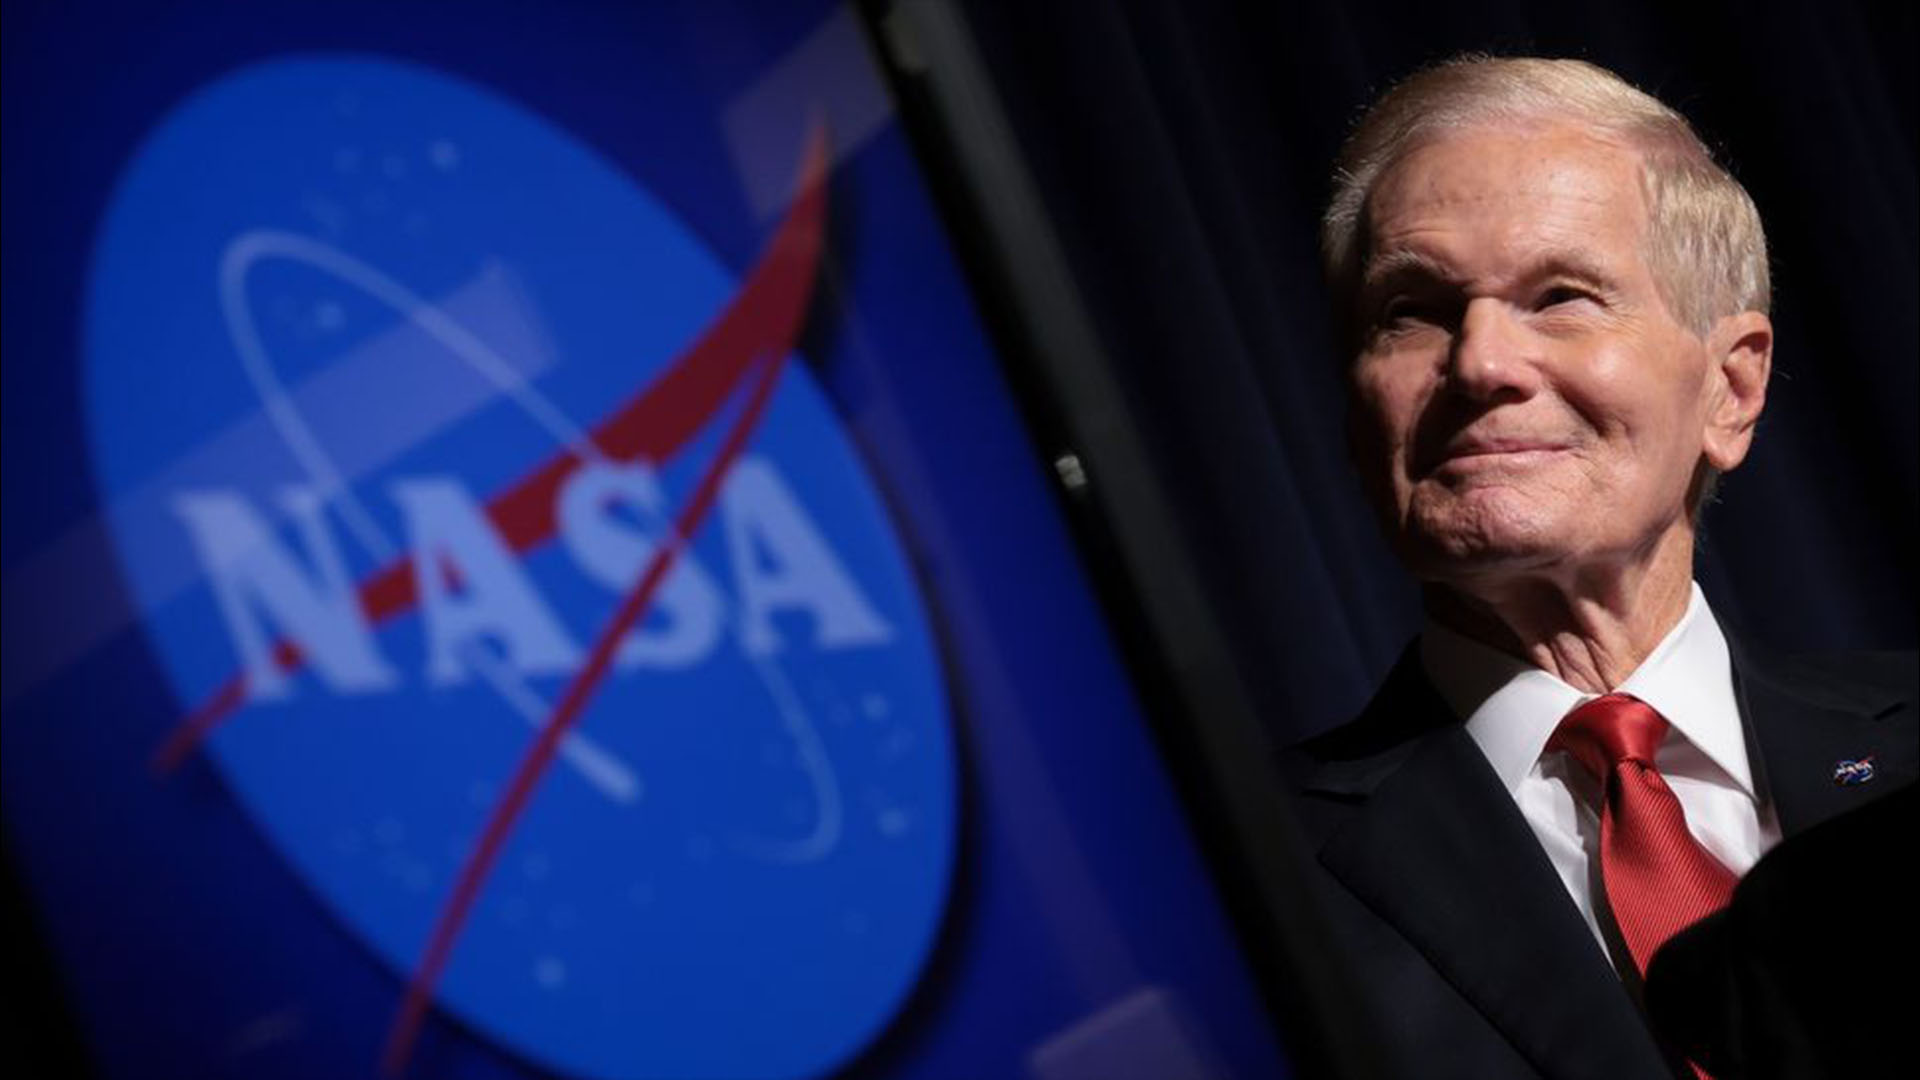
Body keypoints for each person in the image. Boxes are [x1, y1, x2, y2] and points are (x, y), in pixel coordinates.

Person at [1285, 55, 1916, 1079]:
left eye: (1563, 295)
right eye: (1411, 309)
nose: (1481, 362)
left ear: (1731, 390)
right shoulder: (1235, 877)